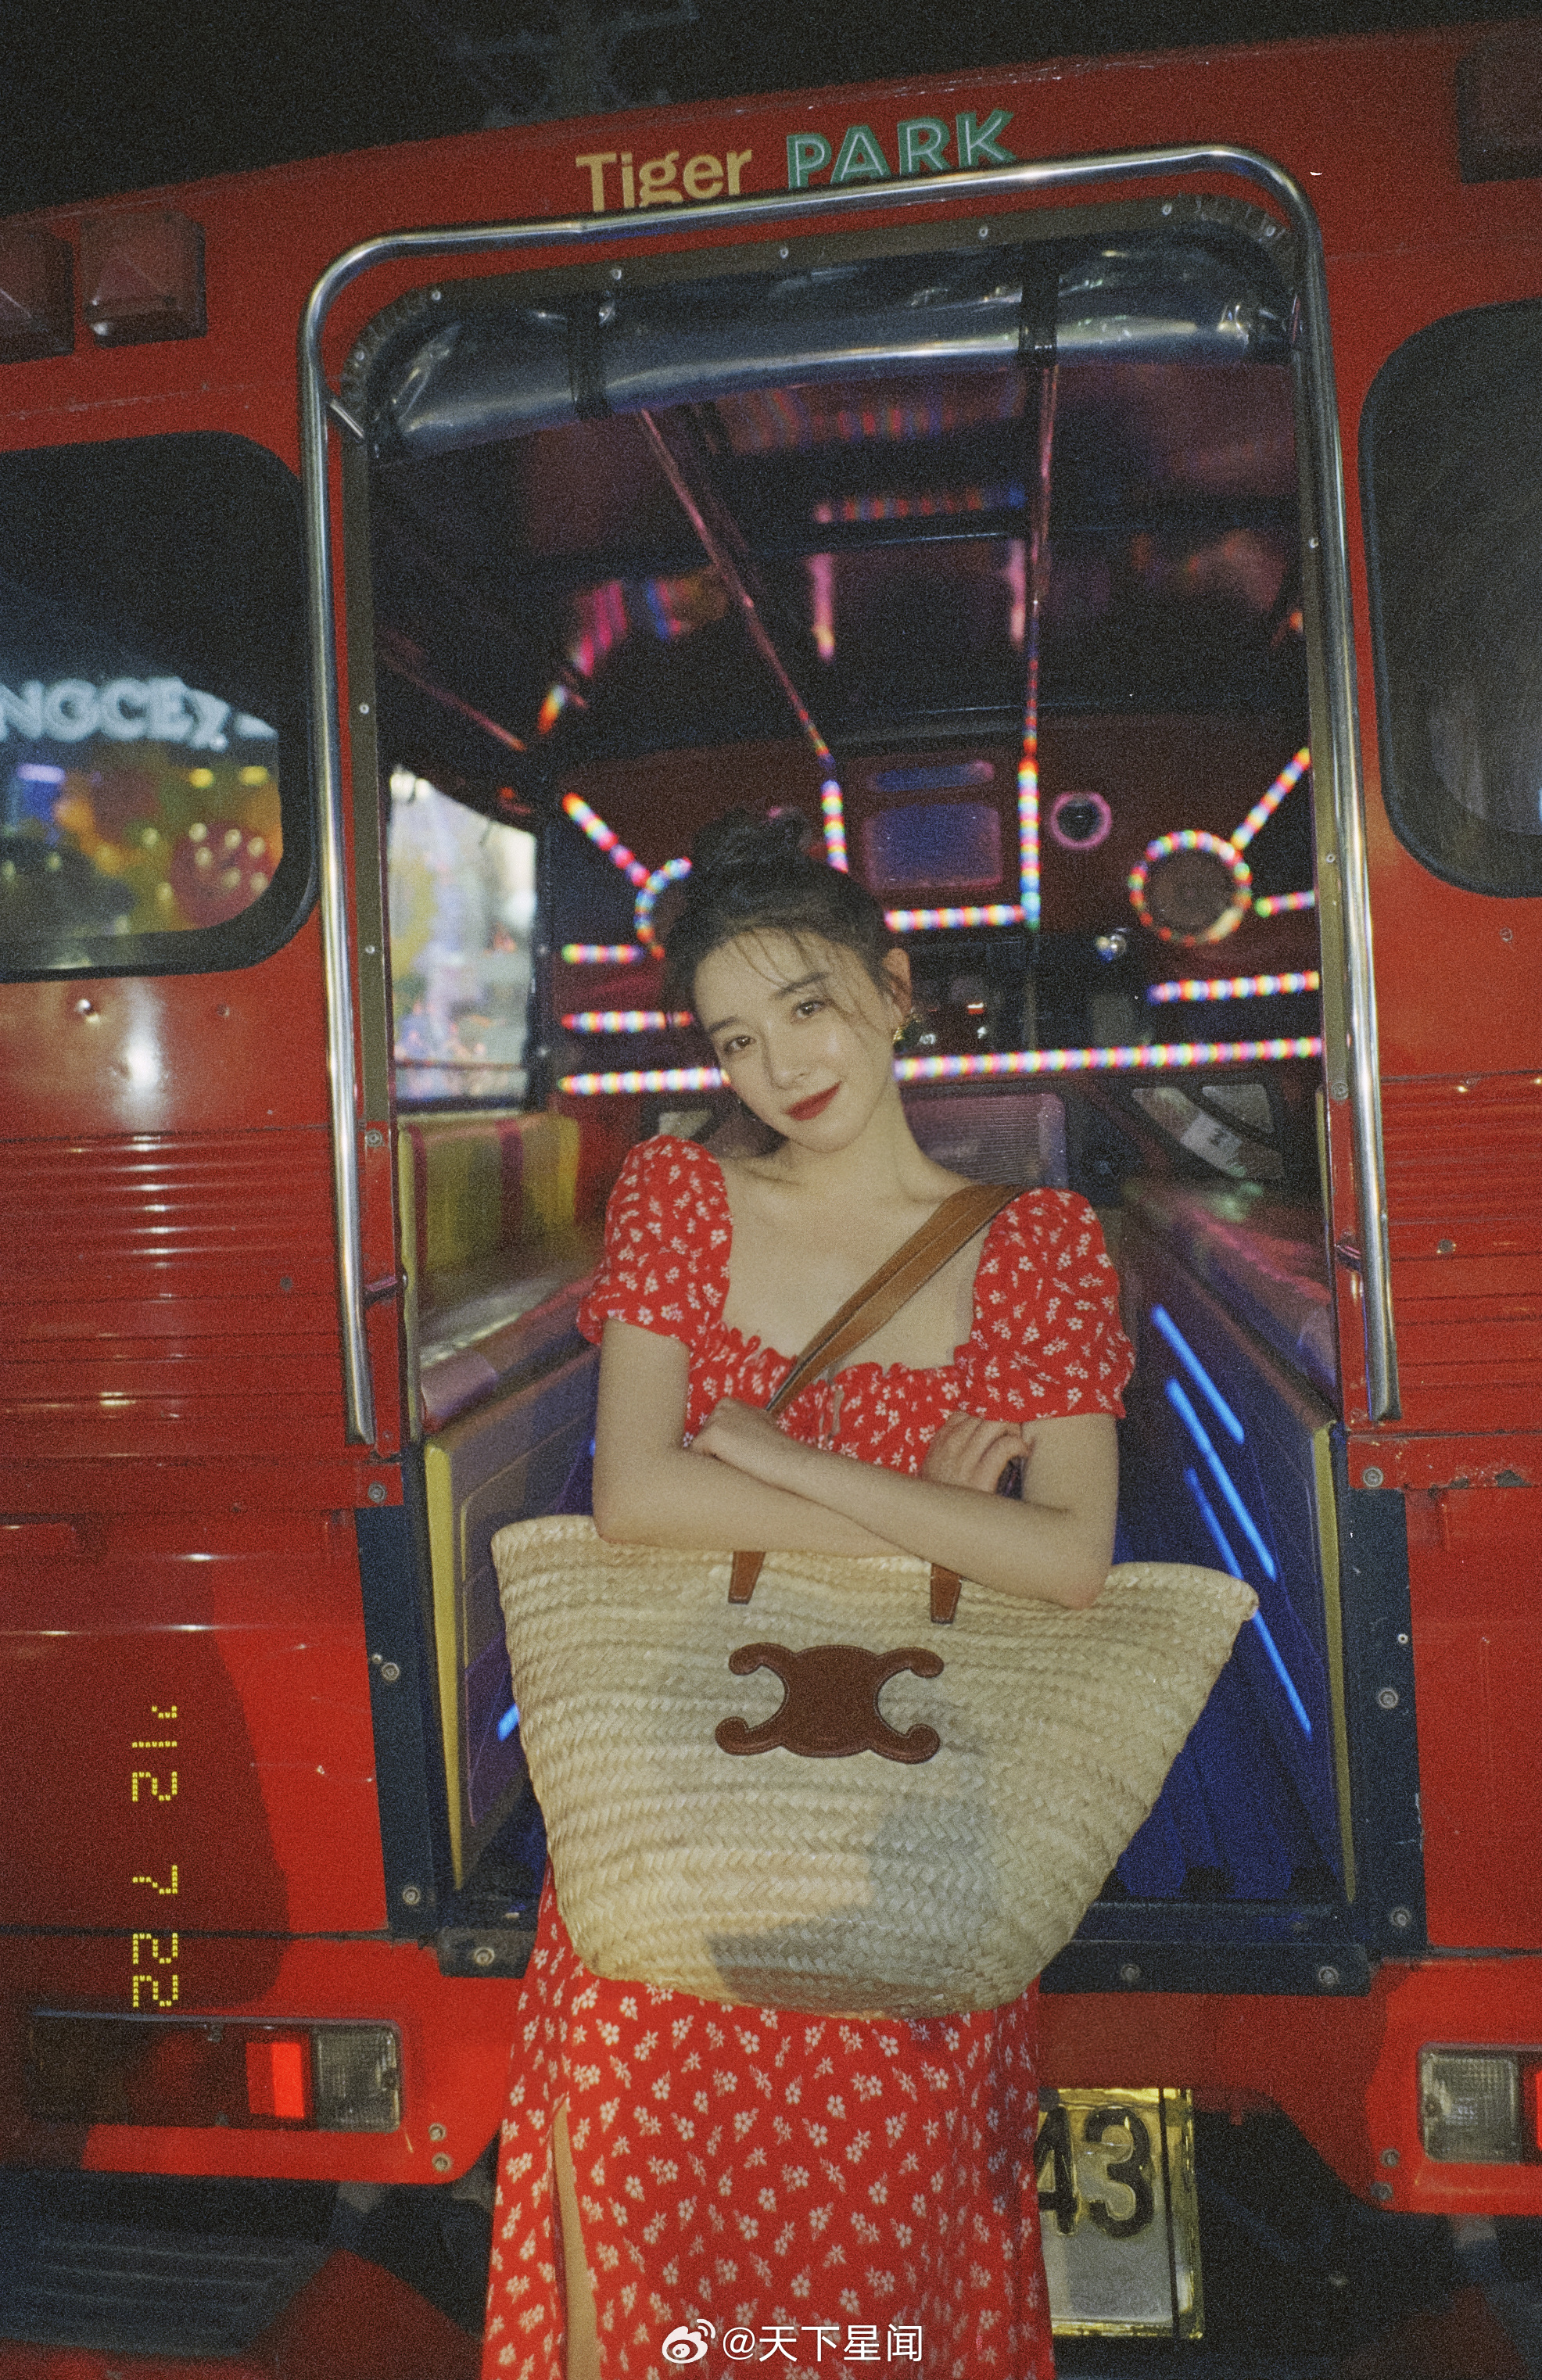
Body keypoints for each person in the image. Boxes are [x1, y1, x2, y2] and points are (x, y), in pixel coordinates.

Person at [484, 811, 1133, 2380]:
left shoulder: (1035, 1247)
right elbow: (637, 1497)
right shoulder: (680, 1200)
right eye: (734, 1039)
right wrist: (940, 1525)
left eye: (806, 1006)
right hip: (672, 1830)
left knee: (875, 2278)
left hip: (903, 1853)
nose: (780, 1066)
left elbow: (1068, 1559)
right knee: (653, 2266)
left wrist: (783, 1462)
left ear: (893, 990)